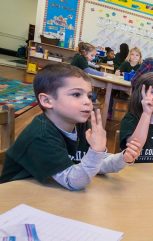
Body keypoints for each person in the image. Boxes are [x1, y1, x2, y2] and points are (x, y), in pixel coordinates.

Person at [0, 63, 141, 190]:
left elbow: (95, 164)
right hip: (16, 199)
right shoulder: (41, 135)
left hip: (48, 192)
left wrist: (123, 158)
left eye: (89, 96)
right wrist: (96, 151)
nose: (87, 102)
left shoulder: (81, 125)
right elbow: (72, 181)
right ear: (47, 100)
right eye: (76, 94)